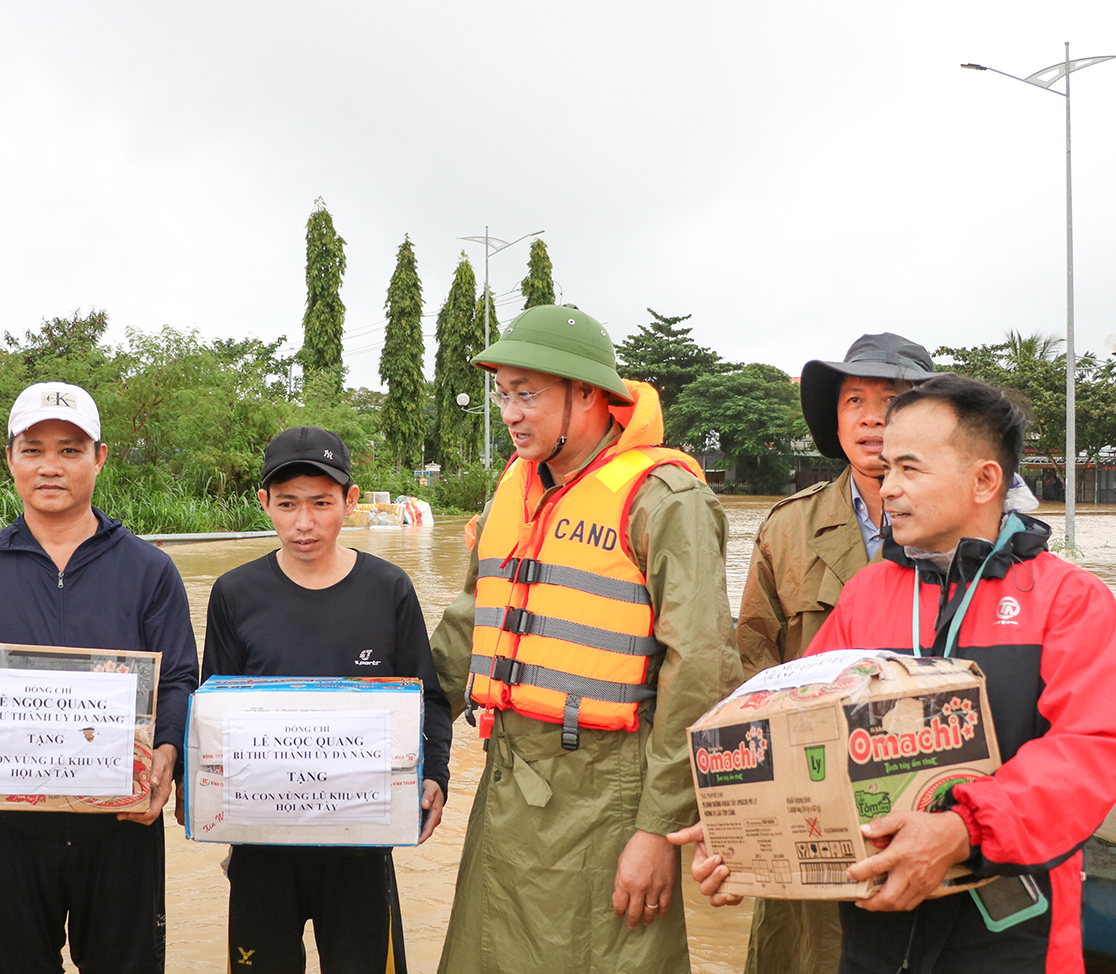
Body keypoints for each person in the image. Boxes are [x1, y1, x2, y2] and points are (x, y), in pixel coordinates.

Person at [678, 373, 1116, 973]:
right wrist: (743, 827)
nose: (887, 487)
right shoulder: (867, 593)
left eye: (909, 469)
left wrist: (963, 830)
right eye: (886, 468)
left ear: (984, 480)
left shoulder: (1067, 598)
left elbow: (1091, 749)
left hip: (1014, 926)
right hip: (875, 927)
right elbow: (799, 725)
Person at [430, 304, 742, 974]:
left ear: (588, 394)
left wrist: (657, 830)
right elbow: (467, 628)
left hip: (608, 792)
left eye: (527, 394)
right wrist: (400, 748)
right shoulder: (513, 489)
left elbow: (701, 669)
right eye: (503, 395)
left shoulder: (666, 499)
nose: (510, 414)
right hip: (508, 777)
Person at [0, 381, 198, 974]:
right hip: (5, 826)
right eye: (33, 449)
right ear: (10, 458)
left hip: (120, 824)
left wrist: (167, 752)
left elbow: (177, 679)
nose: (50, 466)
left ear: (100, 457)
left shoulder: (149, 569)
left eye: (70, 450)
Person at [201, 425, 453, 973]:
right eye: (287, 504)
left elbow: (427, 700)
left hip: (362, 843)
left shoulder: (388, 588)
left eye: (321, 503)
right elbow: (213, 718)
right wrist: (208, 803)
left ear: (350, 501)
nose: (304, 522)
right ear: (264, 503)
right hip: (263, 846)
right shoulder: (234, 594)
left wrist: (435, 773)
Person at [735, 333, 933, 974]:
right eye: (854, 401)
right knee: (805, 954)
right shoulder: (787, 528)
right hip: (811, 805)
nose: (871, 418)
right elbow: (752, 670)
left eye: (892, 400)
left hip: (933, 802)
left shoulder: (974, 527)